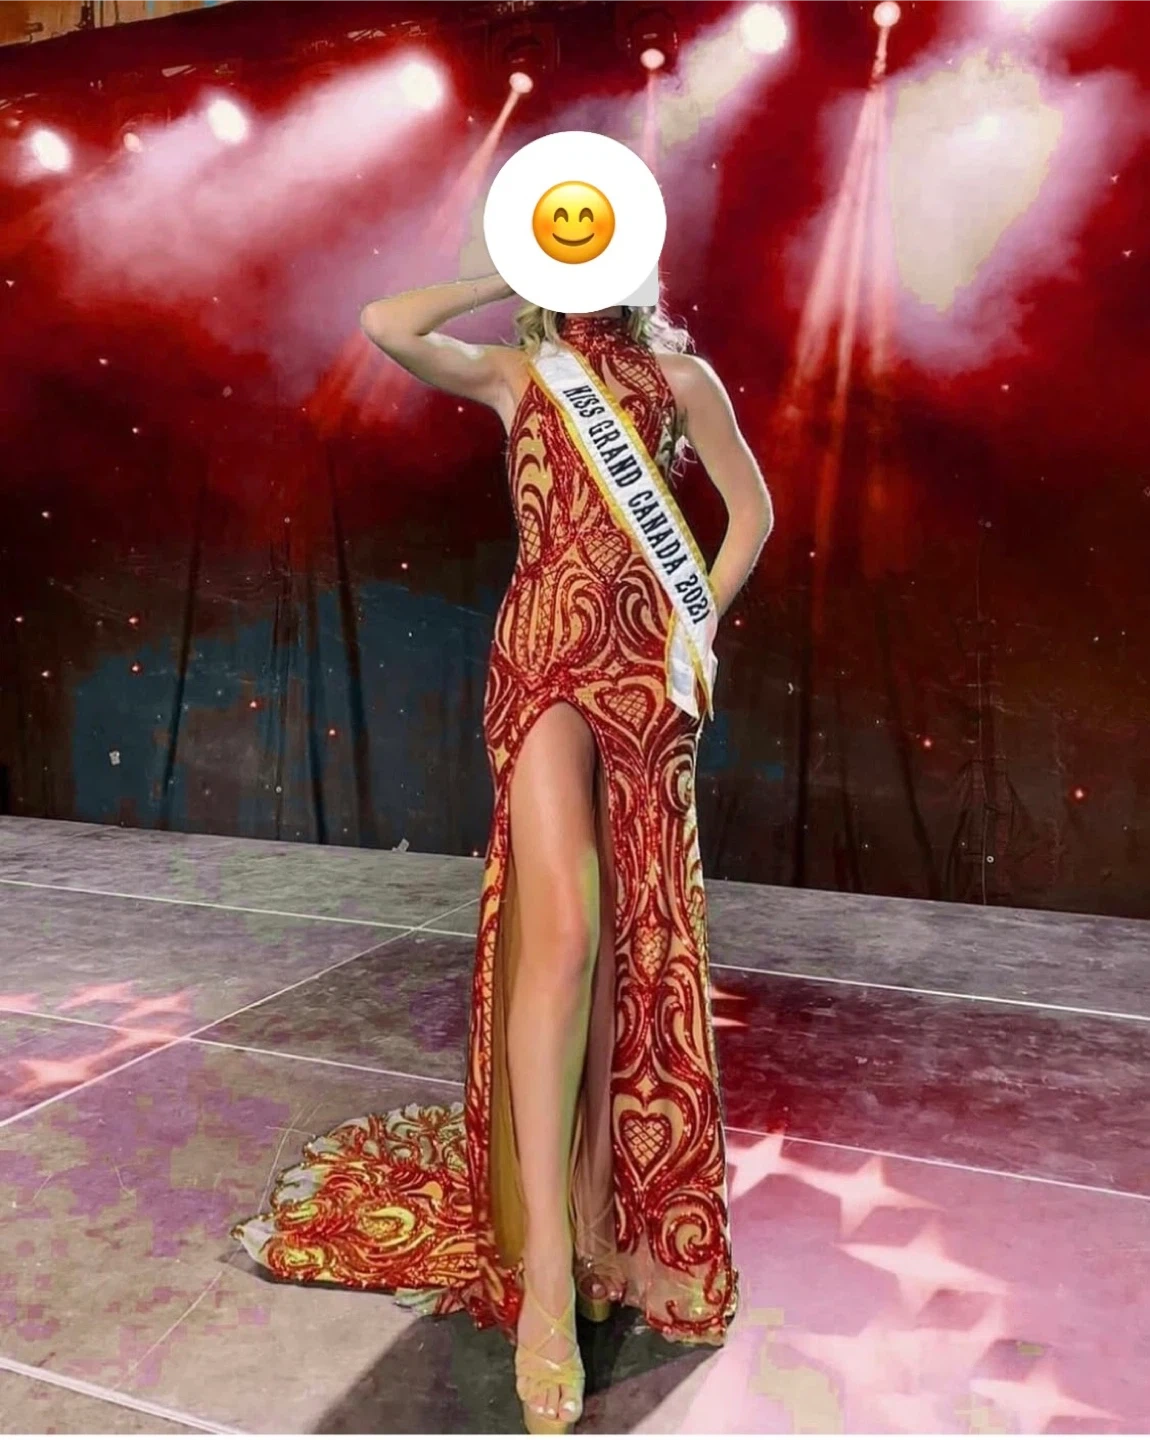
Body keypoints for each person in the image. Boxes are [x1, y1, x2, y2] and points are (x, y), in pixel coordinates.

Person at [233, 273, 774, 1435]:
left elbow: (751, 515)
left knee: (631, 948)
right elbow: (384, 323)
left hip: (644, 673)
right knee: (564, 936)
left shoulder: (682, 380)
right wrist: (508, 267)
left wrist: (696, 624)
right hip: (539, 663)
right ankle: (543, 1286)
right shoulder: (517, 375)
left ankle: (599, 1219)